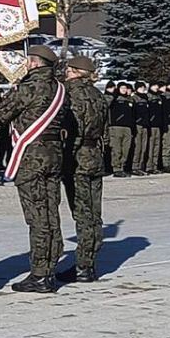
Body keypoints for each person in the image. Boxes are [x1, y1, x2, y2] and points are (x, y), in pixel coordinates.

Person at [0, 45, 65, 293]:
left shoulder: (29, 87)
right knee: (51, 212)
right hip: (54, 155)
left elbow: (0, 115)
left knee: (36, 217)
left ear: (34, 63)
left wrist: (8, 94)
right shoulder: (60, 89)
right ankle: (51, 265)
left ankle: (39, 274)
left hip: (31, 155)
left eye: (28, 61)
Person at [57, 56, 108, 284]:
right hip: (95, 156)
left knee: (82, 213)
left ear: (77, 72)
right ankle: (90, 262)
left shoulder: (68, 93)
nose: (66, 72)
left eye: (69, 69)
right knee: (94, 213)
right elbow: (105, 130)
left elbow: (67, 127)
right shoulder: (98, 95)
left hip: (76, 158)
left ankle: (83, 266)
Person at [107, 82, 135, 177]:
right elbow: (106, 104)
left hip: (127, 127)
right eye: (122, 88)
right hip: (116, 126)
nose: (124, 89)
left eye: (125, 88)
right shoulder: (114, 98)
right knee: (117, 148)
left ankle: (122, 166)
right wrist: (114, 95)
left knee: (126, 149)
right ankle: (116, 168)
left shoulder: (129, 100)